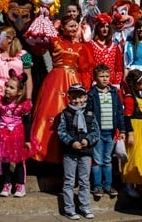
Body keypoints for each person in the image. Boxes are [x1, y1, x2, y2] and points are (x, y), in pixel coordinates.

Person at [30, 15, 94, 163]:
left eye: (75, 26)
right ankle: (45, 152)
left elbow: (85, 65)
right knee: (51, 113)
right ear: (62, 28)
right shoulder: (55, 41)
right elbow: (40, 36)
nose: (73, 29)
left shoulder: (80, 46)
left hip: (73, 80)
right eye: (70, 26)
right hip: (56, 80)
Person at [86, 63, 131, 199]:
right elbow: (88, 114)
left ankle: (108, 185)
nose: (105, 79)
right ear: (95, 78)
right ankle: (97, 186)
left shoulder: (113, 92)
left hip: (111, 132)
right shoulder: (92, 94)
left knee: (107, 160)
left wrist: (122, 130)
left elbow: (119, 112)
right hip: (98, 133)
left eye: (107, 76)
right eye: (101, 76)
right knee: (98, 160)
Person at [57, 83, 99, 220]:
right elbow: (61, 132)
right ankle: (69, 209)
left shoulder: (90, 114)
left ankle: (85, 207)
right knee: (69, 181)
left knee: (84, 181)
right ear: (69, 98)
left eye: (80, 97)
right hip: (70, 153)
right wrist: (71, 142)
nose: (77, 100)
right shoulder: (65, 113)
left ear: (85, 97)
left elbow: (95, 132)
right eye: (74, 97)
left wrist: (87, 140)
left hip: (86, 153)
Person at [0, 72, 33, 197]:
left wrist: (27, 140)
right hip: (2, 134)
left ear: (20, 92)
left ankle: (20, 185)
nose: (7, 89)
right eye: (7, 86)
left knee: (18, 160)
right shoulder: (0, 102)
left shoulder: (23, 105)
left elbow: (27, 123)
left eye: (11, 87)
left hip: (17, 135)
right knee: (4, 160)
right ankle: (6, 183)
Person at [121, 69, 142, 198]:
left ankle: (139, 183)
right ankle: (128, 183)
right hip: (135, 129)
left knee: (141, 158)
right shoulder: (129, 98)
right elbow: (127, 116)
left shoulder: (138, 96)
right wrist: (130, 133)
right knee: (133, 157)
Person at [0, 26, 33, 102]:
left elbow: (28, 79)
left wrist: (28, 98)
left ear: (9, 39)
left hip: (15, 94)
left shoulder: (23, 56)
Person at [84, 13, 124, 88]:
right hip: (96, 84)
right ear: (97, 28)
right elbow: (89, 67)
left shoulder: (115, 46)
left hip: (111, 84)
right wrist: (93, 80)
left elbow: (118, 68)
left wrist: (116, 83)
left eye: (107, 27)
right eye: (102, 27)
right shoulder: (90, 45)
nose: (105, 29)